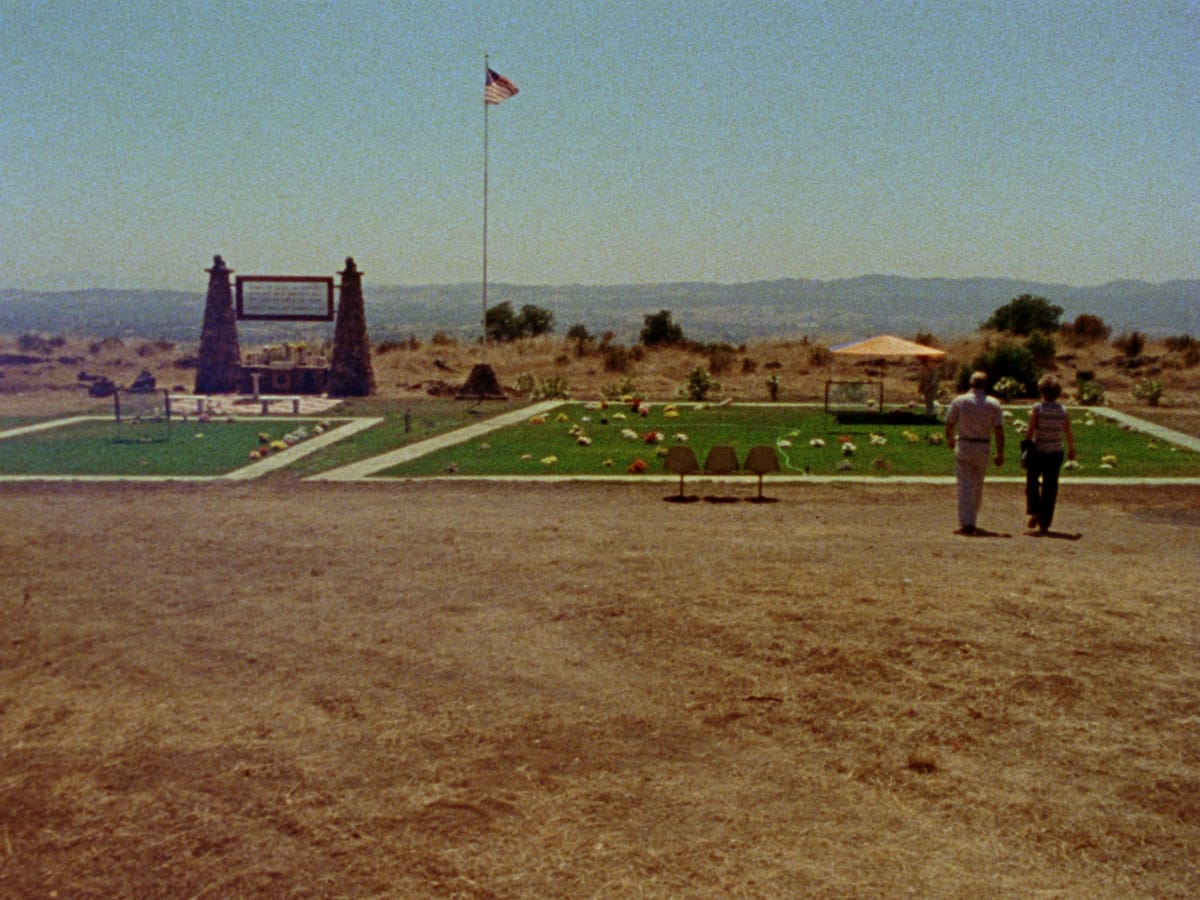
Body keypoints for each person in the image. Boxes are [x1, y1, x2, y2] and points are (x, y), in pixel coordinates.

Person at [944, 371, 1005, 535]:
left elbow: (949, 423)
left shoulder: (960, 401)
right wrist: (1000, 452)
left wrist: (950, 439)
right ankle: (972, 518)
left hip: (965, 444)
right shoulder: (994, 403)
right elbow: (999, 430)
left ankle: (967, 522)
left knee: (964, 484)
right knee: (978, 484)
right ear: (986, 385)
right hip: (983, 445)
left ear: (970, 383)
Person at [1024, 374, 1076, 534]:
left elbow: (1031, 429)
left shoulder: (1038, 408)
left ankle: (1035, 510)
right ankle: (1045, 522)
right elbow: (1067, 432)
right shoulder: (1062, 411)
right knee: (1050, 487)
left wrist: (1025, 446)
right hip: (1055, 452)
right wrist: (1071, 449)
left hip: (1039, 450)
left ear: (1041, 391)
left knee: (1032, 483)